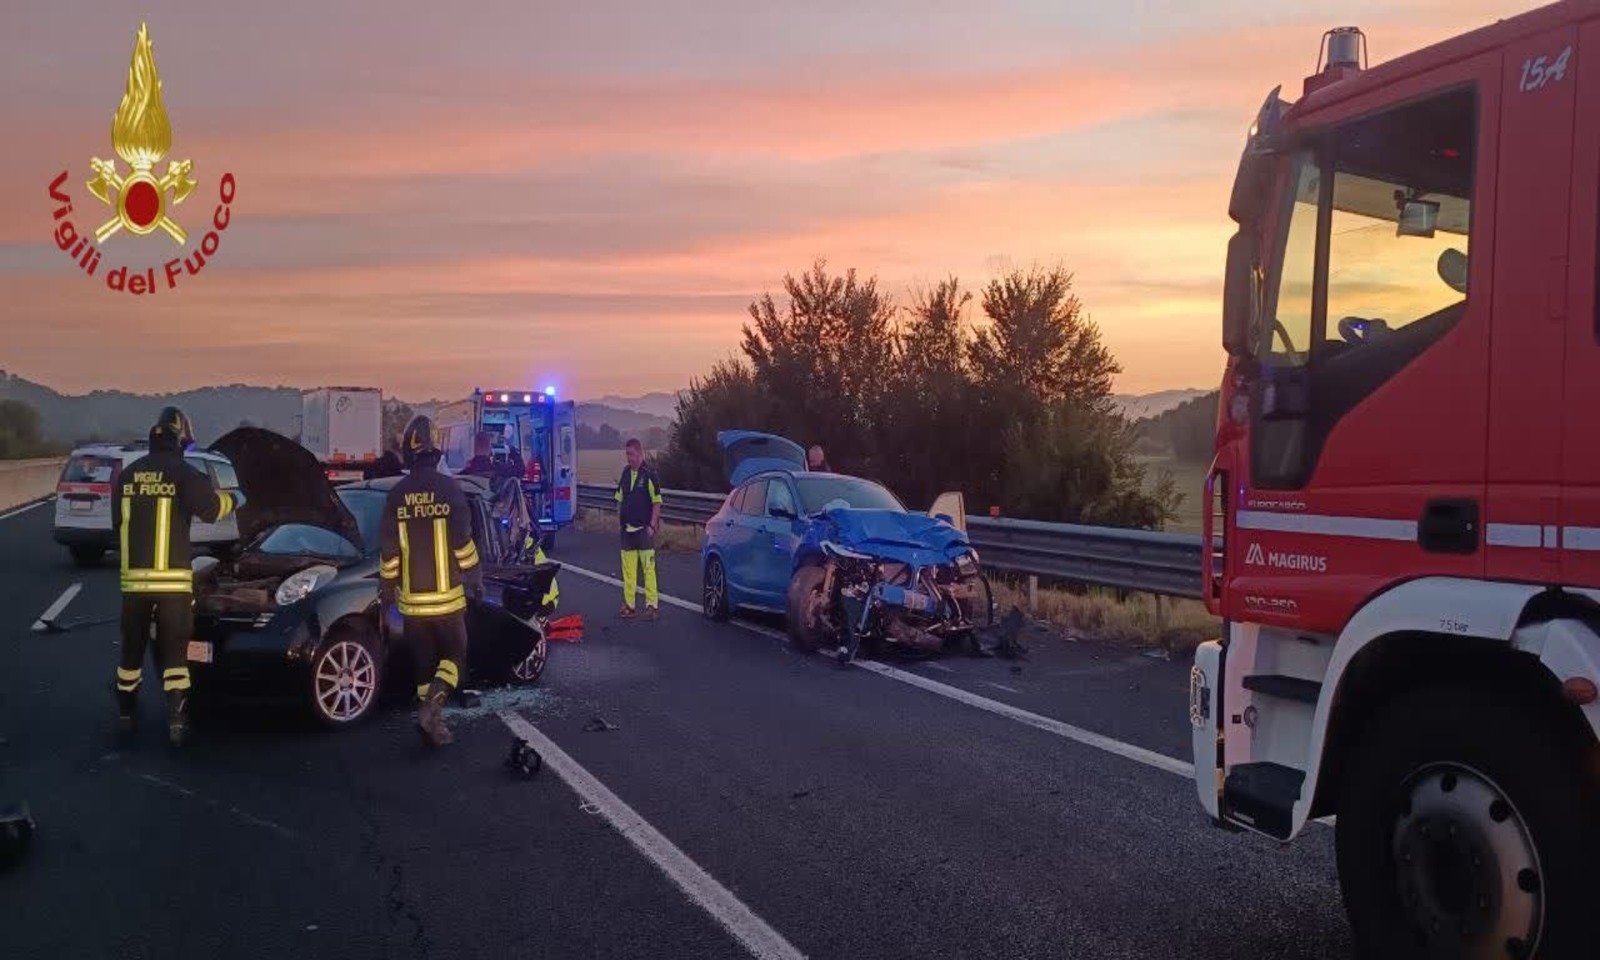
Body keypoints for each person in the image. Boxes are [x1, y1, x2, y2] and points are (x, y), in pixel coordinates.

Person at [112, 406, 246, 746]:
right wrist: (237, 498)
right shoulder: (185, 474)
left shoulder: (128, 475)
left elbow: (117, 525)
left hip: (134, 585)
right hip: (172, 584)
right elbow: (213, 510)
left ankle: (126, 713)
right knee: (175, 656)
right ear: (180, 437)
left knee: (130, 657)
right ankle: (176, 722)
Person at [379, 416, 482, 747]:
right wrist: (475, 579)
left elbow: (389, 554)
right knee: (455, 658)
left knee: (423, 667)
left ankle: (430, 727)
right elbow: (463, 544)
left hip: (412, 606)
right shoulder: (450, 489)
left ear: (409, 453)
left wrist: (387, 596)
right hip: (448, 602)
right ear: (436, 451)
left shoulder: (396, 495)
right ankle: (434, 705)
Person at [612, 438, 662, 620]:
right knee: (628, 570)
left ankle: (651, 606)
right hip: (627, 530)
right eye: (627, 454)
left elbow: (656, 502)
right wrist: (620, 520)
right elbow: (619, 498)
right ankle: (629, 605)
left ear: (640, 454)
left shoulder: (649, 475)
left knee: (648, 569)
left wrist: (652, 525)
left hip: (643, 530)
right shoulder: (625, 473)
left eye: (632, 454)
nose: (629, 458)